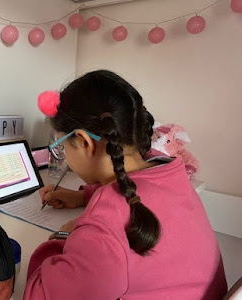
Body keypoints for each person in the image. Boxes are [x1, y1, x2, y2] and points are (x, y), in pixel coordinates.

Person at [23, 70, 227, 300]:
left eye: (62, 146)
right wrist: (84, 196)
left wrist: (63, 236)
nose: (64, 154)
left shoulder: (103, 226)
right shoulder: (170, 171)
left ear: (84, 142)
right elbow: (141, 192)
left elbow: (39, 295)